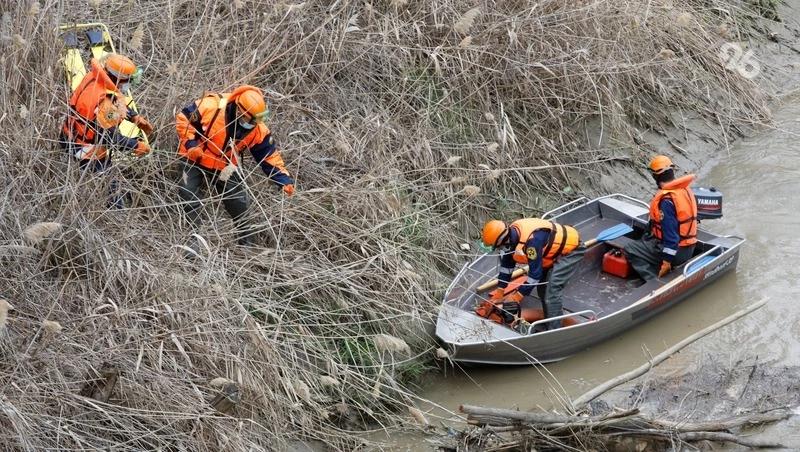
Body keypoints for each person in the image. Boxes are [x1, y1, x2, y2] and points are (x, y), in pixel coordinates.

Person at [175, 85, 294, 247]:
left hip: (225, 165)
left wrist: (283, 179)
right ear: (239, 111)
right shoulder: (211, 107)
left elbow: (269, 155)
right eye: (250, 119)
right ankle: (192, 239)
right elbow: (184, 118)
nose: (254, 123)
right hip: (195, 158)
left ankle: (246, 244)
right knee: (188, 194)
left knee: (238, 201)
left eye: (258, 119)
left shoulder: (258, 129)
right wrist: (191, 144)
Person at [60, 53, 153, 207]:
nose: (128, 85)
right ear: (119, 79)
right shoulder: (105, 106)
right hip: (82, 146)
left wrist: (133, 117)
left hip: (69, 133)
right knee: (110, 181)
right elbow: (111, 140)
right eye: (128, 81)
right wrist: (136, 146)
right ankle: (117, 210)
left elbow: (114, 100)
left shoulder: (96, 78)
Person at [479, 218, 584, 330]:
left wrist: (517, 296)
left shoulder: (532, 242)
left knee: (552, 290)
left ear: (501, 240)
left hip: (571, 252)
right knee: (542, 290)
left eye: (497, 247)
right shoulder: (511, 238)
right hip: (549, 255)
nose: (499, 249)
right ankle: (551, 318)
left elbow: (535, 276)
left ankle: (555, 329)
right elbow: (506, 267)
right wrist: (500, 291)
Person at [623, 155, 698, 280]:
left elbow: (672, 238)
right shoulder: (684, 190)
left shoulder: (666, 201)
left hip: (676, 253)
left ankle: (654, 280)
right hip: (689, 247)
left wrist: (666, 262)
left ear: (656, 177)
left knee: (630, 249)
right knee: (647, 239)